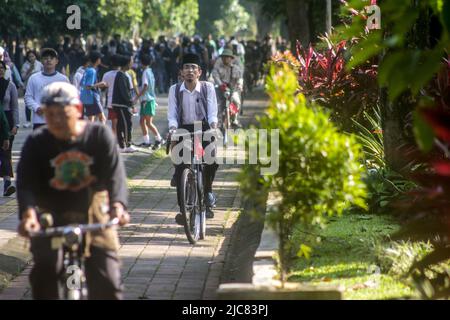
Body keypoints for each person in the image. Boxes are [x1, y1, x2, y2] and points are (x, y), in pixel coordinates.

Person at [16, 82, 130, 300]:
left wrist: (118, 206)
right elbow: (26, 182)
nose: (56, 121)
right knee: (45, 272)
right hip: (51, 216)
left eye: (62, 114)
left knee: (107, 281)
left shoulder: (99, 136)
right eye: (50, 115)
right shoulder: (36, 142)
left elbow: (115, 176)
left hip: (94, 215)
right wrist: (28, 214)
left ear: (78, 110)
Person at [167, 53, 219, 221]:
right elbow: (172, 114)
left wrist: (213, 127)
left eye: (193, 68)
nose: (189, 71)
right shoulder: (174, 90)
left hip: (203, 127)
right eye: (186, 68)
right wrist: (173, 128)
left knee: (211, 160)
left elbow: (212, 111)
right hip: (183, 129)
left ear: (199, 72)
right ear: (181, 72)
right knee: (181, 167)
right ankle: (183, 210)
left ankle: (208, 190)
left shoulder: (207, 87)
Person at [24, 48, 69, 130]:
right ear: (41, 61)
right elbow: (28, 97)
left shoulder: (63, 79)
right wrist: (37, 108)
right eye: (45, 58)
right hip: (39, 121)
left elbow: (69, 98)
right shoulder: (34, 78)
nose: (48, 60)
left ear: (56, 61)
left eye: (51, 58)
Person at [134, 54, 164, 149]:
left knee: (148, 122)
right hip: (147, 100)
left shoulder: (145, 73)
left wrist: (137, 96)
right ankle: (146, 141)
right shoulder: (150, 71)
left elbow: (145, 86)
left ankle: (159, 139)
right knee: (142, 121)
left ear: (142, 63)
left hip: (147, 100)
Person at [211, 49, 244, 128]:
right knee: (216, 104)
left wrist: (239, 84)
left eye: (227, 57)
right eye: (223, 57)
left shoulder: (235, 68)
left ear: (231, 58)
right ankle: (217, 123)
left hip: (232, 89)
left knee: (236, 101)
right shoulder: (218, 67)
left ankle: (234, 118)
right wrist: (221, 84)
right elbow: (215, 75)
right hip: (220, 89)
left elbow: (240, 78)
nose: (225, 59)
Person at [0, 60, 19, 196]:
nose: (0, 69)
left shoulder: (10, 85)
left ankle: (7, 183)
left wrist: (16, 125)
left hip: (7, 120)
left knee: (6, 152)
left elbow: (15, 107)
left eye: (1, 67)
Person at [111, 55, 136, 153]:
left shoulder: (122, 74)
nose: (132, 63)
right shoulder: (121, 75)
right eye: (131, 61)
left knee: (121, 124)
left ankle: (121, 146)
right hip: (121, 105)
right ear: (127, 63)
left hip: (120, 104)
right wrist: (130, 103)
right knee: (127, 124)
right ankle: (127, 144)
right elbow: (124, 92)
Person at [79, 51, 106, 124]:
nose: (100, 60)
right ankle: (102, 134)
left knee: (91, 119)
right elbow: (88, 86)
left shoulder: (87, 70)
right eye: (100, 59)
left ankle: (91, 134)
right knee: (102, 118)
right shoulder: (93, 71)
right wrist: (100, 84)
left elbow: (81, 83)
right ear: (97, 60)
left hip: (85, 97)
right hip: (92, 97)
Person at [21, 50, 44, 128]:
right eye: (29, 56)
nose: (31, 58)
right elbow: (23, 78)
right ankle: (28, 121)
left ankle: (38, 119)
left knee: (37, 102)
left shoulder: (40, 64)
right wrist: (29, 70)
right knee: (28, 104)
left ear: (35, 56)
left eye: (33, 56)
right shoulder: (25, 65)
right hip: (27, 86)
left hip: (38, 87)